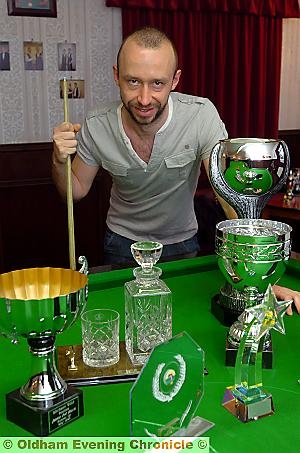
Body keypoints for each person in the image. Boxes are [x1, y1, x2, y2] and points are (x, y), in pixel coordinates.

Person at [52, 27, 300, 314]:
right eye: (133, 81)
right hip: (122, 244)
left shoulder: (200, 115)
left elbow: (228, 194)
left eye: (157, 83)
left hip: (182, 244)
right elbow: (74, 190)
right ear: (115, 75)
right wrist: (59, 161)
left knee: (183, 318)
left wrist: (258, 275)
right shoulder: (96, 124)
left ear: (175, 80)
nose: (144, 99)